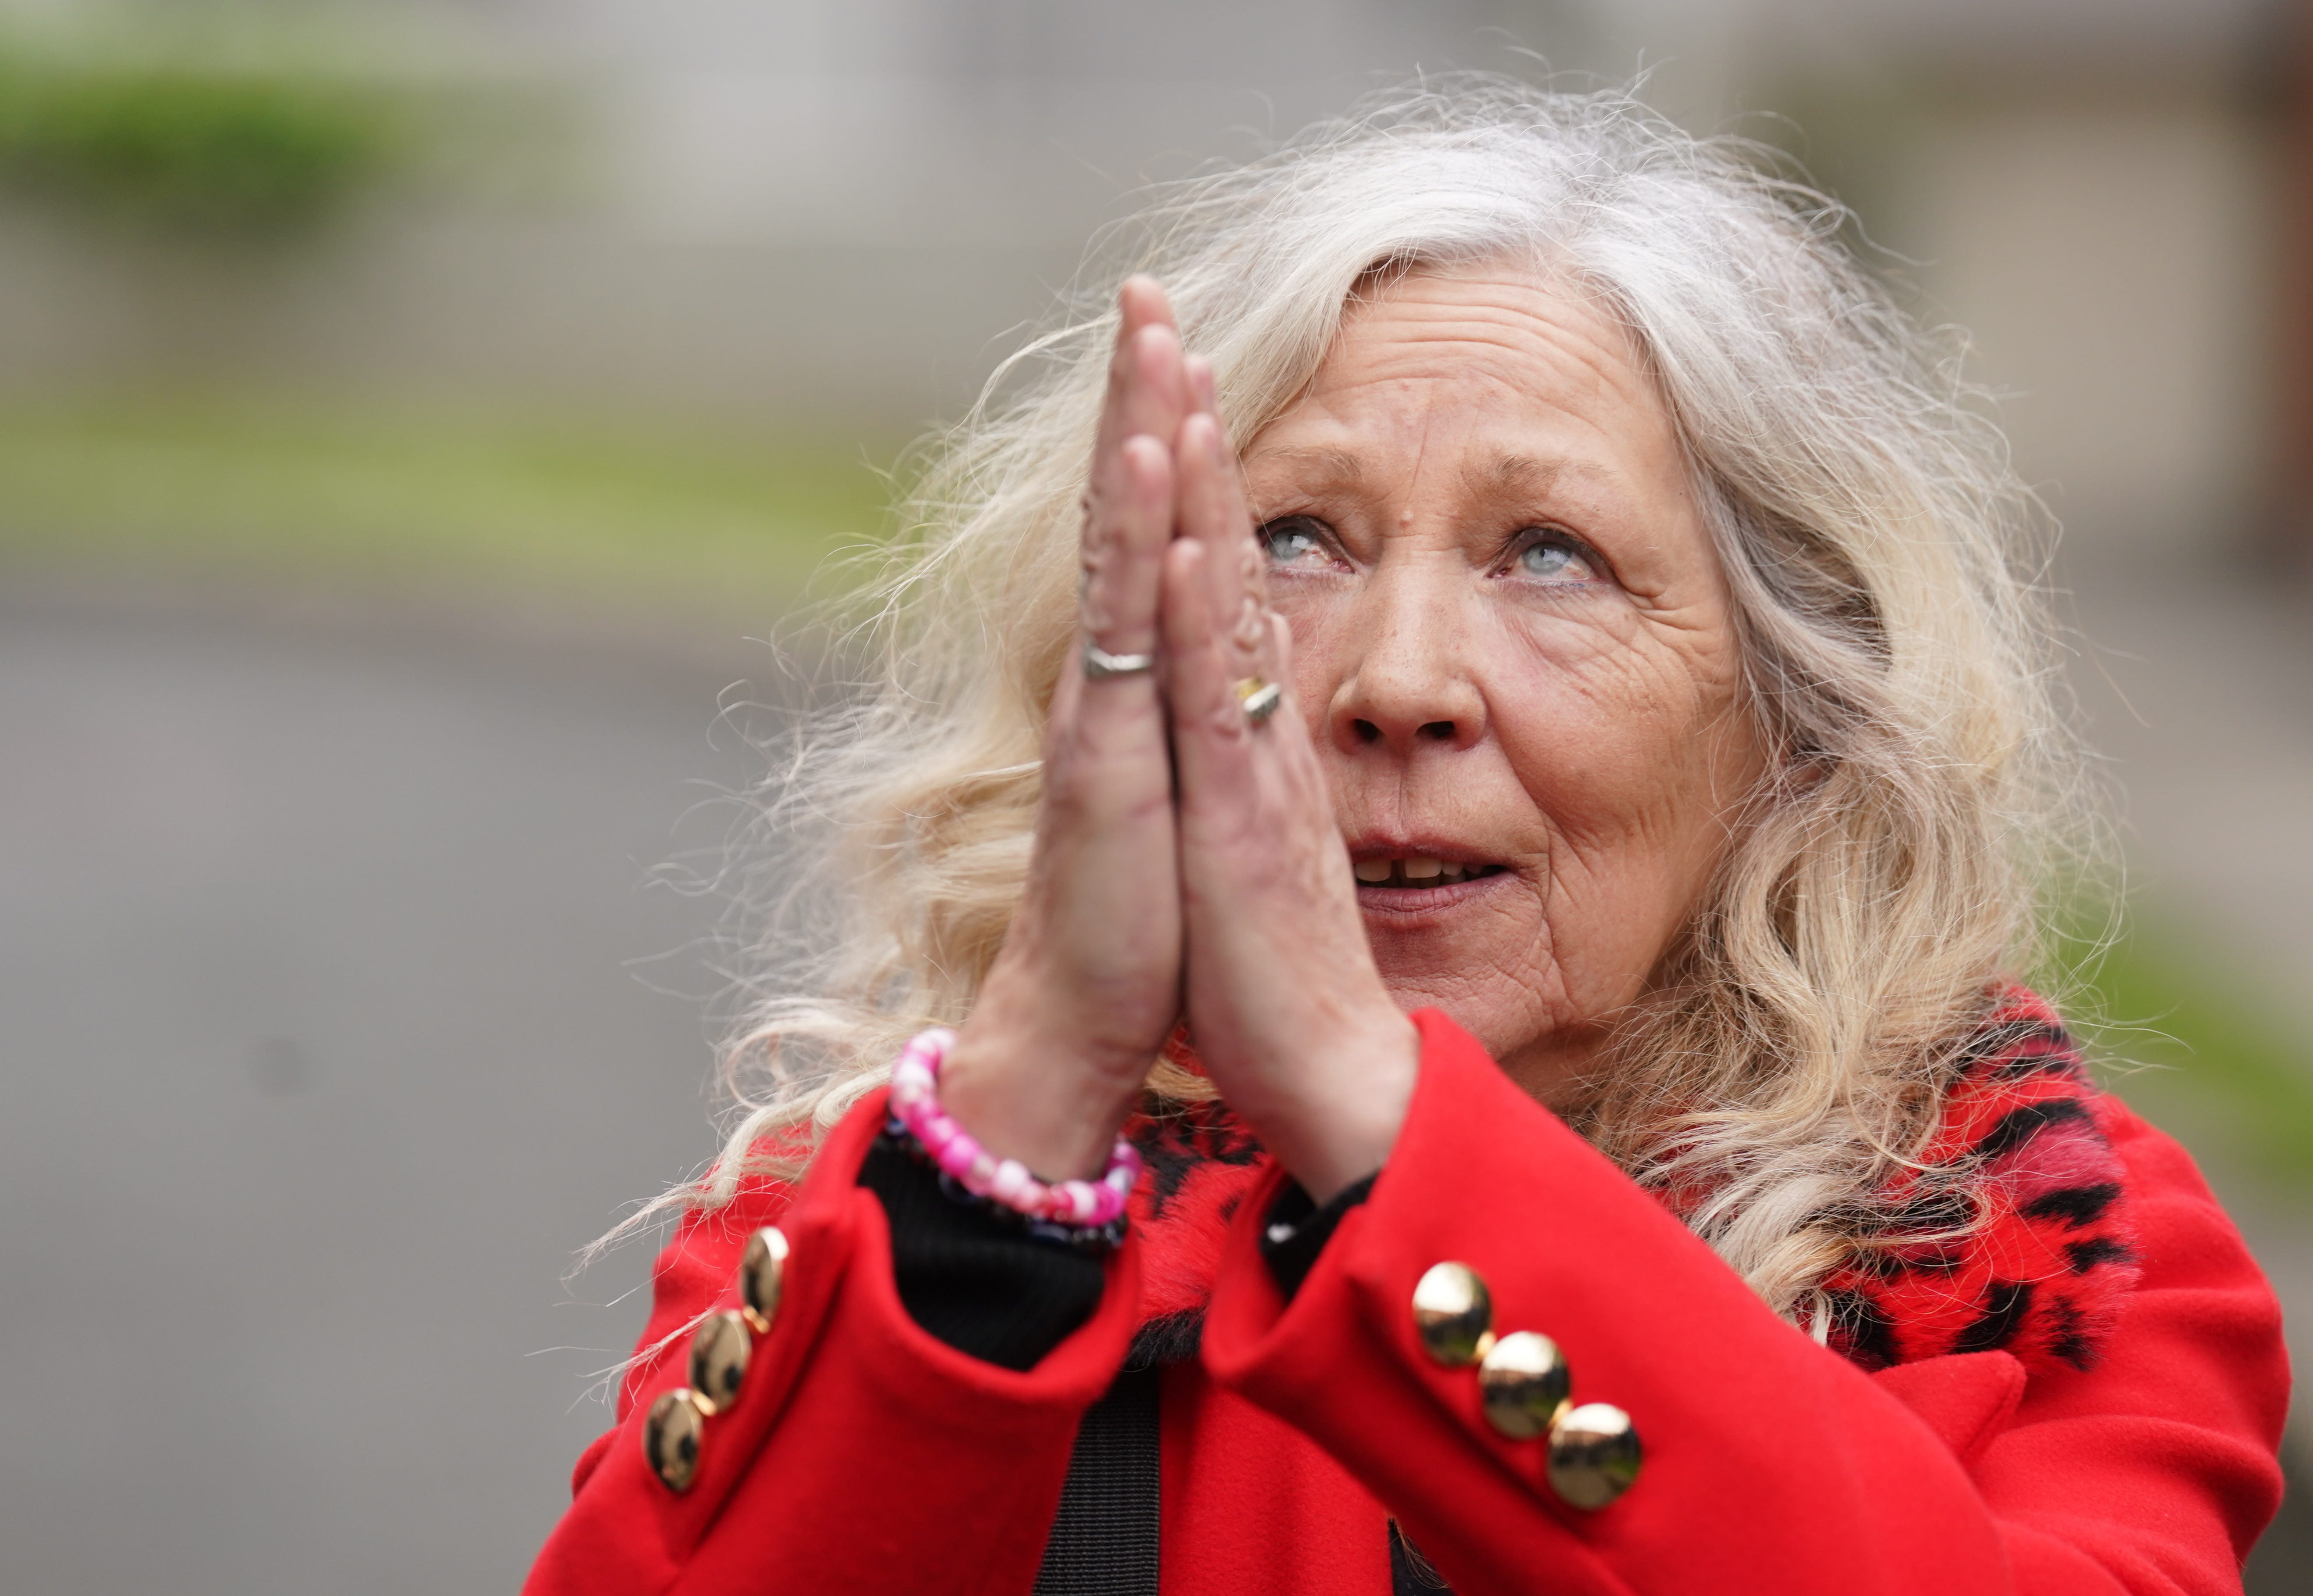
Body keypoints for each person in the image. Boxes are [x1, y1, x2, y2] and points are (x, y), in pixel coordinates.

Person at [523, 81, 2287, 1596]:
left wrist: (1374, 1120)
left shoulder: (2026, 1243)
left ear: (1792, 707)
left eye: (1547, 555)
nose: (1393, 679)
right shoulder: (901, 1205)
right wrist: (1028, 1112)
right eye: (1292, 538)